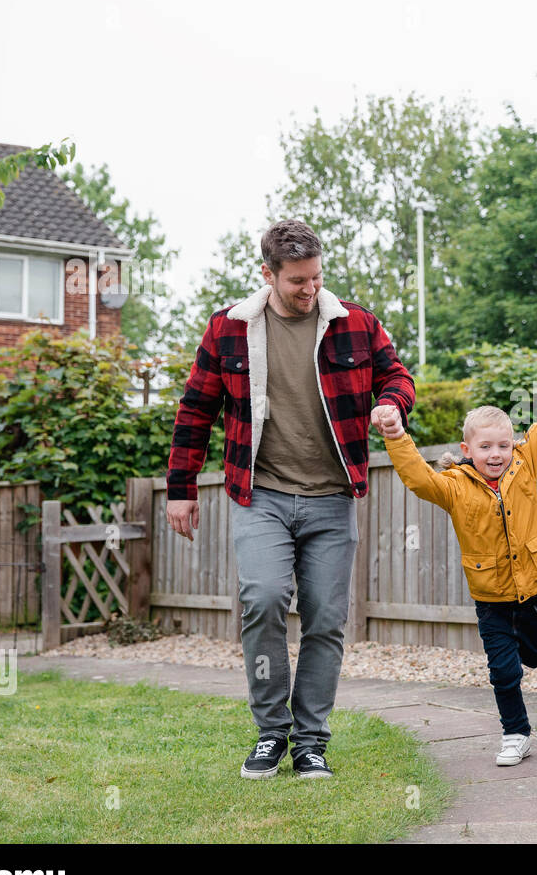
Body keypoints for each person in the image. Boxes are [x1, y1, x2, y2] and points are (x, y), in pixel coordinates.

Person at [164, 219, 415, 780]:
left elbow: (396, 375)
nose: (310, 290)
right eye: (298, 281)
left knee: (326, 619)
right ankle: (270, 733)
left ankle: (311, 742)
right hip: (262, 496)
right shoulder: (228, 330)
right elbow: (195, 412)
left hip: (332, 498)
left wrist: (393, 403)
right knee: (264, 599)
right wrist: (180, 490)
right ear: (268, 275)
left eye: (317, 278)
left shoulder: (355, 324)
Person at [376, 358, 537, 766]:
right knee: (503, 670)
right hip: (491, 598)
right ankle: (515, 733)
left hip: (535, 587)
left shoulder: (525, 464)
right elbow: (418, 478)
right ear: (468, 450)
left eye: (503, 445)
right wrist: (397, 435)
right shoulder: (454, 487)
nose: (497, 454)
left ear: (513, 445)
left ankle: (529, 652)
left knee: (536, 655)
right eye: (486, 447)